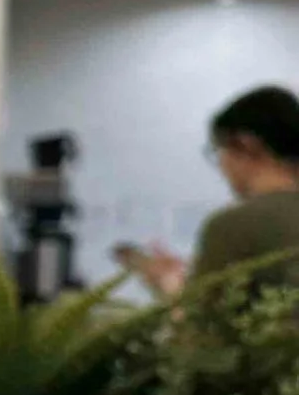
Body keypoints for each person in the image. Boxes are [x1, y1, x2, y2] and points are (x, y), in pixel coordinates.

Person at [118, 85, 299, 300]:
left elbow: (200, 318)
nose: (221, 166)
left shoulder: (232, 226)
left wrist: (167, 282)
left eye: (218, 151)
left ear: (246, 145)